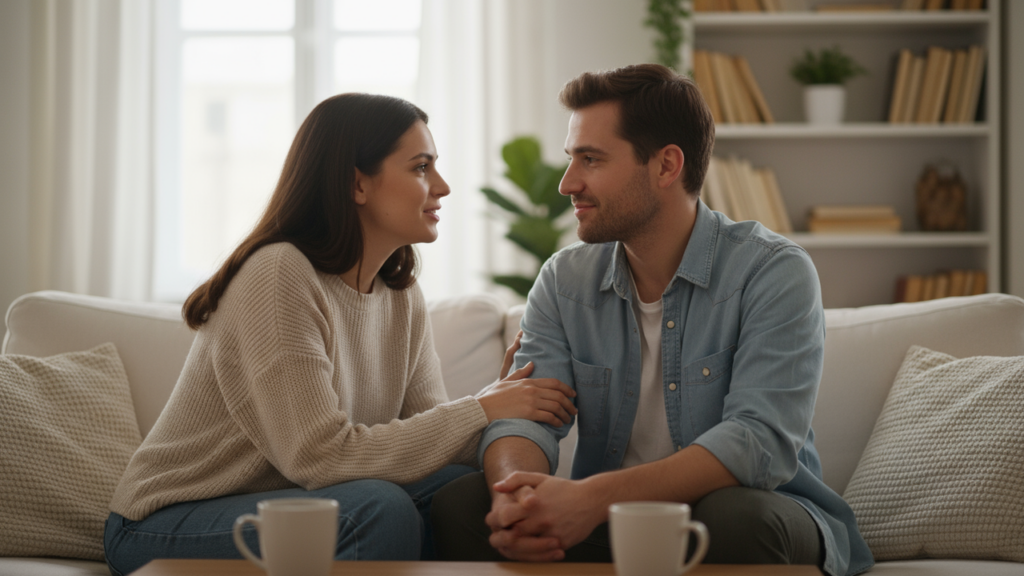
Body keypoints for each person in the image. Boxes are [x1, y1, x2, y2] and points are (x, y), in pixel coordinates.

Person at [103, 93, 577, 576]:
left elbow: (431, 440)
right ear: (357, 184)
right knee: (376, 509)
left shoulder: (399, 292)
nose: (442, 186)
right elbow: (318, 457)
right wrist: (480, 409)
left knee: (464, 491)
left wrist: (497, 406)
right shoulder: (278, 274)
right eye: (420, 167)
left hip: (292, 499)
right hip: (166, 522)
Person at [430, 64, 874, 576]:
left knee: (735, 517)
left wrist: (593, 497)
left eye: (590, 160)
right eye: (571, 159)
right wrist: (517, 495)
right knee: (465, 504)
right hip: (612, 520)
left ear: (666, 166)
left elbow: (759, 444)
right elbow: (523, 413)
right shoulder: (564, 280)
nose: (567, 183)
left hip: (753, 510)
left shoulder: (772, 271)